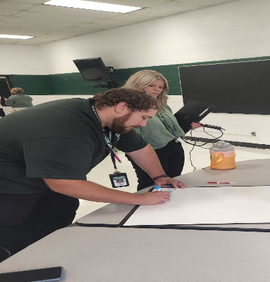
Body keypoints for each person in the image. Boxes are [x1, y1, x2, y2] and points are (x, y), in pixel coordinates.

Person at [0, 88, 186, 260]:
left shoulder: (110, 119)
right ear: (122, 107)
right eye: (143, 117)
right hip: (8, 187)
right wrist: (138, 199)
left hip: (45, 181)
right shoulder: (67, 128)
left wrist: (160, 177)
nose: (143, 124)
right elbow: (65, 183)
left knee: (59, 216)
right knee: (16, 238)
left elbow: (140, 148)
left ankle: (50, 258)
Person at [123, 70, 202, 190]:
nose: (157, 89)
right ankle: (144, 206)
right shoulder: (127, 107)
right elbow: (130, 137)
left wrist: (186, 126)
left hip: (174, 146)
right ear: (137, 84)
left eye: (161, 87)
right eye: (151, 85)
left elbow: (168, 127)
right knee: (150, 184)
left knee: (173, 180)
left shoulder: (162, 105)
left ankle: (168, 204)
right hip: (150, 150)